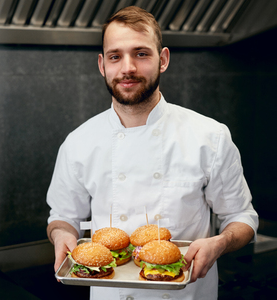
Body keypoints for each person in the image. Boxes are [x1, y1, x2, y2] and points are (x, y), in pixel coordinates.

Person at [46, 6, 258, 300]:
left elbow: (241, 216)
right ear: (102, 64)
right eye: (115, 56)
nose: (127, 67)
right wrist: (62, 235)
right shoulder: (77, 143)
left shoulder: (209, 136)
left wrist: (220, 242)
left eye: (141, 53)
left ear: (163, 60)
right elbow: (61, 216)